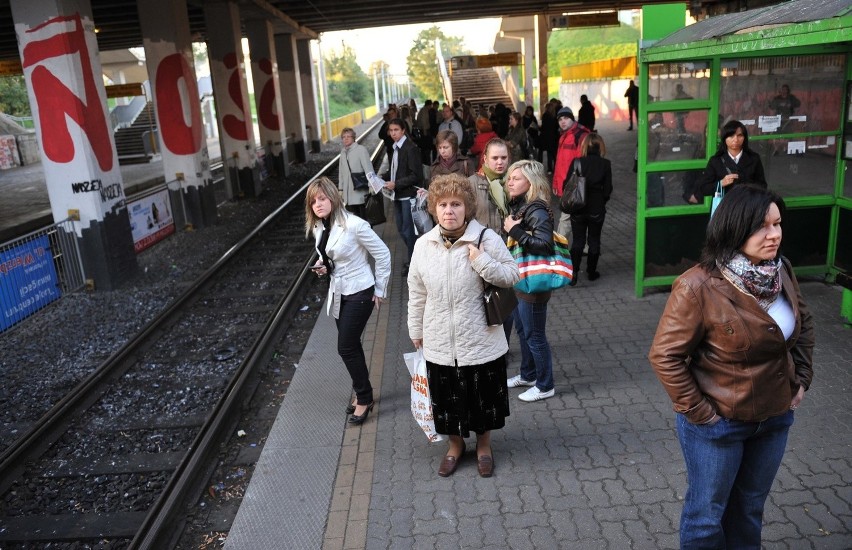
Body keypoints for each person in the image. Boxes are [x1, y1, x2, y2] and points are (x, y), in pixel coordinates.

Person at [648, 184, 814, 549]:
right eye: (763, 227)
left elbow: (804, 324)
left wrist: (801, 378)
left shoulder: (781, 269)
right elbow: (665, 356)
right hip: (719, 424)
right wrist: (703, 414)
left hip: (774, 418)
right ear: (735, 228)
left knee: (749, 509)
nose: (774, 235)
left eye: (778, 223)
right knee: (706, 518)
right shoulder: (697, 287)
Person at [407, 173, 519, 477]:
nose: (449, 211)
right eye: (443, 205)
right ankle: (455, 446)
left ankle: (484, 446)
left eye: (456, 204)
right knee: (447, 399)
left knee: (483, 397)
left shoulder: (485, 238)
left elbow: (511, 275)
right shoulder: (423, 245)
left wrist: (481, 260)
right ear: (434, 208)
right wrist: (415, 330)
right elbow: (417, 291)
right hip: (440, 340)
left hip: (480, 339)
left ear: (466, 207)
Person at [306, 177, 392, 426]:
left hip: (360, 290)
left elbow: (383, 253)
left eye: (322, 199)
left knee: (345, 346)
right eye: (313, 201)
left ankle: (364, 397)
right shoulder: (319, 227)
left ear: (333, 197)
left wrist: (380, 289)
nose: (318, 205)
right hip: (339, 291)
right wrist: (323, 266)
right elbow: (330, 256)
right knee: (351, 345)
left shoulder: (355, 224)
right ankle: (361, 389)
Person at [504, 160, 557, 402]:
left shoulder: (536, 209)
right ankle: (528, 374)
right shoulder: (524, 205)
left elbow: (545, 245)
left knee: (534, 335)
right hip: (522, 281)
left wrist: (515, 231)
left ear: (531, 182)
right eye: (509, 178)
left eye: (516, 178)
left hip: (533, 284)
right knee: (523, 330)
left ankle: (545, 385)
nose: (510, 182)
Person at [567, 133, 612, 283]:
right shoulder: (605, 164)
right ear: (601, 146)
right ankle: (591, 272)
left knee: (578, 240)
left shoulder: (577, 162)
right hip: (597, 208)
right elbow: (607, 190)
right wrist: (601, 200)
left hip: (578, 207)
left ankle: (573, 273)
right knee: (594, 240)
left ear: (584, 146)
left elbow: (566, 185)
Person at [383, 117, 424, 275]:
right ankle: (415, 258)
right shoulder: (396, 147)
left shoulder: (410, 148)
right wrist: (382, 177)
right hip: (398, 196)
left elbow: (416, 175)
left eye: (396, 130)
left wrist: (396, 184)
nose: (393, 133)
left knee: (408, 231)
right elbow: (396, 170)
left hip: (408, 196)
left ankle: (413, 262)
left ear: (403, 130)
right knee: (401, 229)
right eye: (391, 130)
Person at [694, 120, 767, 201]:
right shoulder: (716, 161)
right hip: (725, 208)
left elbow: (762, 186)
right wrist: (721, 183)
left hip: (748, 206)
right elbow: (703, 188)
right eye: (731, 136)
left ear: (744, 138)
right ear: (724, 138)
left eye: (739, 135)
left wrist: (748, 188)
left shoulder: (754, 158)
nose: (735, 139)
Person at [552, 106, 590, 236]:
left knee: (565, 219)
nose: (563, 121)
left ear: (572, 119)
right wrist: (556, 183)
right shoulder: (563, 136)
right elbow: (559, 163)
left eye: (566, 118)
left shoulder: (581, 135)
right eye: (560, 119)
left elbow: (585, 163)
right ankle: (585, 246)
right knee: (577, 217)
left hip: (574, 185)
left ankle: (557, 249)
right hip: (566, 185)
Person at [470, 137, 510, 233]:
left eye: (504, 157)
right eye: (495, 158)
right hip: (482, 243)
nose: (500, 162)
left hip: (508, 243)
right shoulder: (471, 183)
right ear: (485, 159)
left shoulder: (514, 181)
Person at [338, 127, 376, 218]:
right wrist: (340, 189)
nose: (346, 138)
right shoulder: (343, 153)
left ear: (353, 138)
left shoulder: (361, 150)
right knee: (354, 220)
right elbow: (341, 173)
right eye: (343, 137)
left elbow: (368, 168)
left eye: (348, 136)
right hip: (348, 194)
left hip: (360, 192)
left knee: (364, 219)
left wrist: (372, 184)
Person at [539, 101, 559, 172]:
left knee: (548, 153)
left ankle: (549, 169)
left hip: (546, 137)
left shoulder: (545, 115)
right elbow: (556, 127)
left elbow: (544, 127)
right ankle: (556, 168)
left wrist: (539, 128)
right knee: (554, 153)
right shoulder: (555, 116)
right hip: (554, 137)